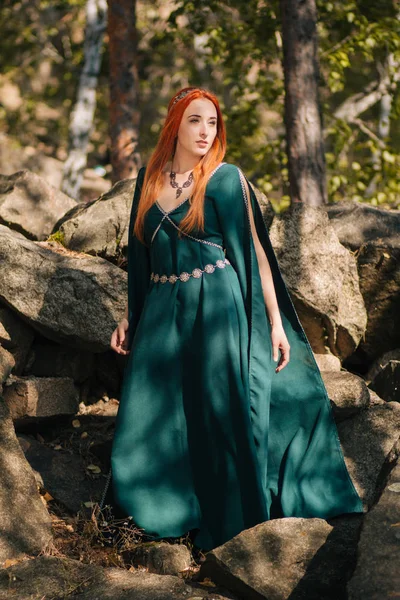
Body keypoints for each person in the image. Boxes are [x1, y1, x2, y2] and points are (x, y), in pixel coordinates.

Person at [102, 86, 363, 552]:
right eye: (195, 121)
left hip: (218, 310)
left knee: (215, 416)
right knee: (151, 415)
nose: (205, 132)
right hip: (163, 312)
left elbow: (255, 252)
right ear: (174, 125)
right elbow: (140, 258)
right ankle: (153, 514)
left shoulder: (224, 180)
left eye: (212, 123)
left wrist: (276, 323)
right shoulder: (146, 180)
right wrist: (130, 316)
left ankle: (225, 522)